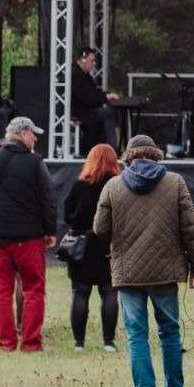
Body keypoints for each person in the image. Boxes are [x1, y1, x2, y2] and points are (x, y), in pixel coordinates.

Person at [92, 136, 194, 387]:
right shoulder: (175, 182)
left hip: (128, 271)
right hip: (165, 272)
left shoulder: (113, 186)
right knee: (169, 333)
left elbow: (99, 229)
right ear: (156, 156)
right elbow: (189, 229)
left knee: (136, 335)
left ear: (128, 158)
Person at [0, 115, 59, 352]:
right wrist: (50, 230)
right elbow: (48, 199)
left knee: (1, 291)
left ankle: (6, 343)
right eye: (33, 133)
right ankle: (30, 343)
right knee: (33, 289)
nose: (36, 138)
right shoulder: (35, 162)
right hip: (28, 237)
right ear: (22, 134)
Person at [63, 142, 120, 352]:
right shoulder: (118, 184)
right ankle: (109, 341)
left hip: (82, 245)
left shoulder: (80, 185)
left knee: (80, 291)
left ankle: (79, 342)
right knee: (110, 291)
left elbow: (66, 214)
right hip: (109, 244)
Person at [71, 47, 118, 153]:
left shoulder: (85, 75)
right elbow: (87, 98)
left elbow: (93, 94)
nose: (94, 64)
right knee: (108, 113)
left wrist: (106, 95)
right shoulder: (75, 74)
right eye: (92, 61)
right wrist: (106, 97)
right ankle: (112, 150)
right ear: (83, 59)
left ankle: (107, 148)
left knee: (108, 113)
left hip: (88, 110)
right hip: (81, 112)